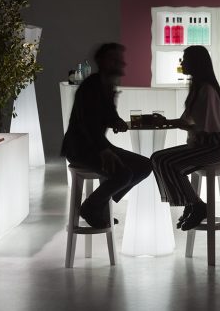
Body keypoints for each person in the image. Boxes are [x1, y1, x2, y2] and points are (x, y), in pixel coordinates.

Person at [61, 43, 152, 228]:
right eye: (115, 59)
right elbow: (88, 124)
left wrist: (116, 121)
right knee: (124, 174)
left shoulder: (106, 85)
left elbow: (107, 115)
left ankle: (101, 203)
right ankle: (91, 207)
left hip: (95, 145)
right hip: (80, 148)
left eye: (120, 59)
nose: (121, 63)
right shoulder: (92, 86)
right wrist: (104, 150)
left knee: (144, 165)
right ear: (101, 61)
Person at [150, 45, 220, 231]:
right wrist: (165, 122)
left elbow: (209, 128)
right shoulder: (198, 88)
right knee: (158, 158)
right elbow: (187, 122)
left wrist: (171, 124)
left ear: (196, 63)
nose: (182, 62)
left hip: (215, 146)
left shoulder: (206, 90)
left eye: (185, 59)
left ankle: (196, 205)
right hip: (205, 145)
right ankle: (192, 203)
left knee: (163, 161)